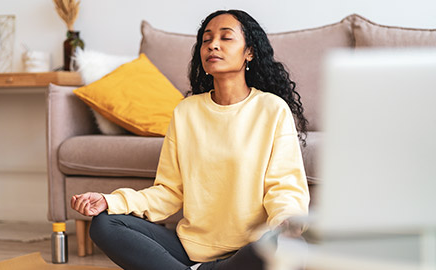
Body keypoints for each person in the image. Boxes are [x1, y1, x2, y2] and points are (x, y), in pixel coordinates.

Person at [71, 9, 310, 270]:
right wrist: (111, 201)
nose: (213, 45)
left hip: (248, 249)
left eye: (226, 38)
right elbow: (168, 192)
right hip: (190, 248)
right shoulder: (187, 111)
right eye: (206, 40)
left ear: (249, 52)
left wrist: (286, 221)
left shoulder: (272, 109)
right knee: (105, 224)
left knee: (286, 247)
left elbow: (284, 186)